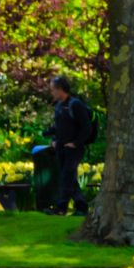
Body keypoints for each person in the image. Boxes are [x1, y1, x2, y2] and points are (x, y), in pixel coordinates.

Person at [47, 75, 95, 214]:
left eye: (53, 90)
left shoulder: (75, 104)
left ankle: (61, 208)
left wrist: (75, 143)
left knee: (66, 177)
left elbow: (87, 127)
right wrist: (55, 140)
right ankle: (81, 206)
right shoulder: (59, 106)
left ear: (60, 89)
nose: (52, 93)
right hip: (61, 148)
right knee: (69, 177)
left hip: (74, 149)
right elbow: (59, 127)